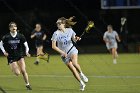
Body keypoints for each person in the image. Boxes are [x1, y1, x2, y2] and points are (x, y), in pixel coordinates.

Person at [51, 17, 88, 91]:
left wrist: (77, 38)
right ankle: (81, 83)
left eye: (59, 23)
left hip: (72, 50)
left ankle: (81, 74)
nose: (58, 24)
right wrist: (62, 52)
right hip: (64, 54)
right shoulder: (56, 34)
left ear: (64, 24)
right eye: (57, 23)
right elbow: (53, 46)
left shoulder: (70, 30)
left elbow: (74, 39)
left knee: (74, 63)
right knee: (73, 70)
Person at [0, 22, 32, 90]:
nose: (13, 27)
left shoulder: (21, 36)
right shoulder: (6, 36)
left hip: (20, 55)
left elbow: (26, 45)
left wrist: (27, 52)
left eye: (15, 26)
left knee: (23, 70)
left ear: (16, 28)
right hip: (11, 56)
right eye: (12, 26)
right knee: (17, 73)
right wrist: (4, 52)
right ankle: (14, 67)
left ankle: (28, 84)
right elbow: (0, 44)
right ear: (9, 28)